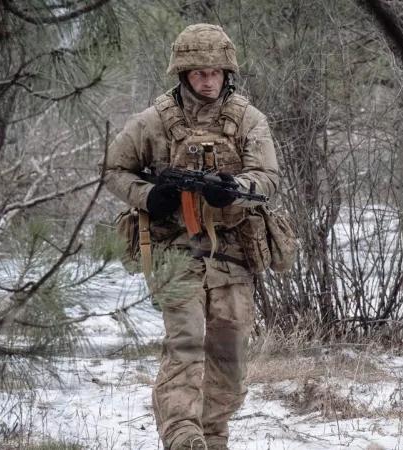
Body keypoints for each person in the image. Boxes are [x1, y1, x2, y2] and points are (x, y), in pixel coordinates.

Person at [102, 24, 279, 450]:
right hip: (174, 251)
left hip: (233, 252)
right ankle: (183, 438)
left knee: (229, 360)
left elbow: (269, 177)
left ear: (226, 73)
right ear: (183, 74)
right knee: (184, 347)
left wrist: (235, 189)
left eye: (215, 72)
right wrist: (150, 196)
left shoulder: (248, 120)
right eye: (198, 72)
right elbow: (114, 170)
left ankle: (211, 436)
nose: (207, 79)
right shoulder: (153, 121)